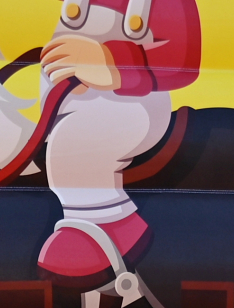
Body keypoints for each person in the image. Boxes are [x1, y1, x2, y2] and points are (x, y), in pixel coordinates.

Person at [36, 0, 201, 288]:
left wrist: (110, 62)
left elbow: (182, 61)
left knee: (77, 142)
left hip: (132, 99)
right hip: (65, 99)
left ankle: (112, 228)